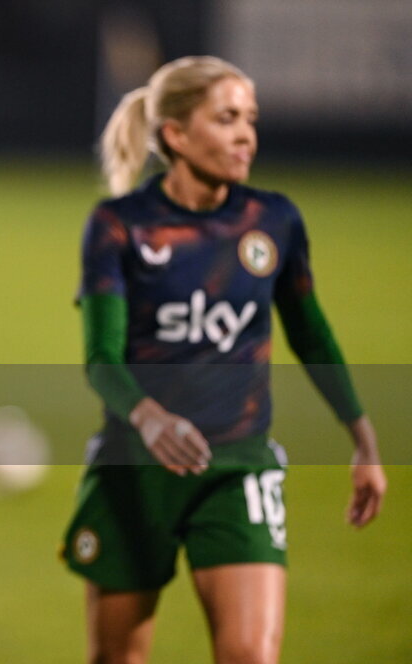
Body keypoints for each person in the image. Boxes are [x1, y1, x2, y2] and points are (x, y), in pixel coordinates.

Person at [61, 56, 386, 664]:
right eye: (227, 118)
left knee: (250, 656)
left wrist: (363, 442)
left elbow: (311, 334)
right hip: (135, 467)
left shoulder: (274, 221)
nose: (246, 135)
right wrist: (151, 418)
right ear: (176, 136)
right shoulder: (119, 226)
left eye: (250, 119)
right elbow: (102, 360)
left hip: (238, 465)